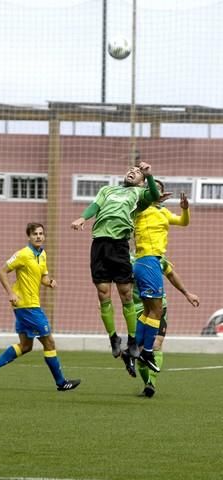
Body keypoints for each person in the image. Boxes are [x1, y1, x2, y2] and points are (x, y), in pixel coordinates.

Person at [71, 162, 160, 360]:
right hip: (100, 245)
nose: (132, 172)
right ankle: (113, 338)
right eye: (131, 169)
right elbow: (95, 205)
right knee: (103, 294)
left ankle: (132, 340)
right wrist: (82, 218)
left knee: (126, 294)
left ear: (142, 183)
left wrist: (150, 175)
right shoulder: (107, 189)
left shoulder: (140, 194)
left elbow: (154, 196)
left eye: (137, 172)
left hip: (120, 245)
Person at [0, 222, 81, 392]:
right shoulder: (23, 254)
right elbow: (2, 271)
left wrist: (49, 282)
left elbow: (43, 277)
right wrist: (10, 293)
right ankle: (61, 382)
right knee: (49, 342)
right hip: (27, 306)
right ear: (29, 236)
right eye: (35, 234)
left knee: (26, 346)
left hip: (29, 306)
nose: (39, 237)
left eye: (41, 233)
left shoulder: (42, 255)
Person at [132, 180, 190, 372]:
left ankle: (133, 350)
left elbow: (183, 222)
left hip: (154, 261)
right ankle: (146, 352)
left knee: (151, 312)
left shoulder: (163, 212)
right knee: (156, 312)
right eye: (151, 190)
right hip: (146, 260)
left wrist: (185, 209)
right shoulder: (140, 210)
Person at [121, 255, 200, 397]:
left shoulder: (157, 258)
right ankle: (146, 380)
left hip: (158, 307)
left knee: (156, 344)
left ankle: (151, 384)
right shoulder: (129, 261)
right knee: (138, 351)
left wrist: (187, 293)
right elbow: (121, 284)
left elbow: (171, 274)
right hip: (137, 310)